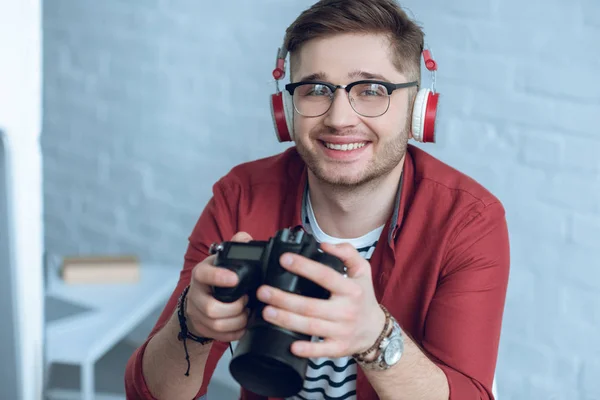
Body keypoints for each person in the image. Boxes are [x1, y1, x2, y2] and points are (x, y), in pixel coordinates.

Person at [124, 0, 510, 399]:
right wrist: (190, 324)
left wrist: (376, 338)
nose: (340, 118)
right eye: (316, 90)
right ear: (286, 109)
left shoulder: (469, 221)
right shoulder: (240, 197)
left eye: (373, 90)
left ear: (418, 108)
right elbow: (149, 393)